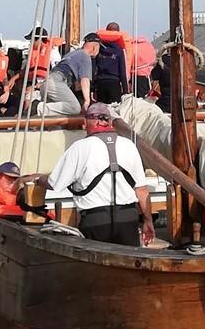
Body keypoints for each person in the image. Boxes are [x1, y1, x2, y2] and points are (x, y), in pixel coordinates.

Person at [46, 102, 154, 246]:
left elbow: (54, 184)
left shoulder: (80, 148)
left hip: (95, 220)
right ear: (109, 122)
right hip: (127, 219)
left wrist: (38, 179)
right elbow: (141, 190)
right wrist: (148, 221)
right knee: (127, 265)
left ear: (86, 122)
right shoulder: (129, 146)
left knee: (95, 267)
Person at [43, 35, 101, 113]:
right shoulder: (85, 55)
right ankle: (37, 107)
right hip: (56, 83)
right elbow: (85, 80)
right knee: (74, 108)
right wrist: (87, 101)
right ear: (95, 47)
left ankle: (37, 110)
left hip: (48, 84)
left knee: (55, 119)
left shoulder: (73, 54)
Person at [92, 29, 130, 103]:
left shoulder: (98, 49)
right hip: (114, 83)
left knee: (101, 110)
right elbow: (122, 71)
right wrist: (125, 91)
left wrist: (92, 88)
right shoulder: (119, 50)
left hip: (100, 84)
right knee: (114, 110)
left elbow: (93, 69)